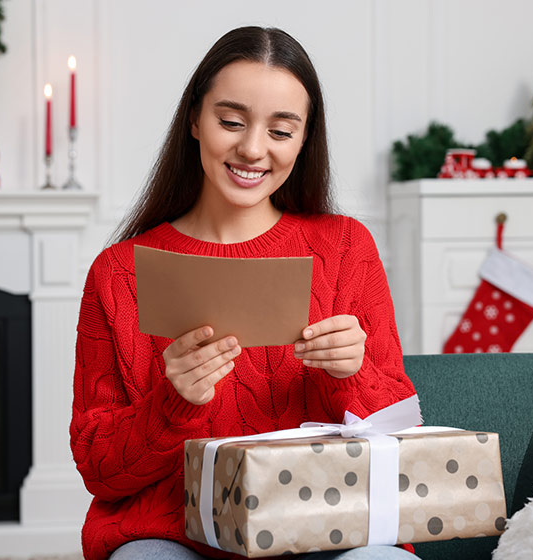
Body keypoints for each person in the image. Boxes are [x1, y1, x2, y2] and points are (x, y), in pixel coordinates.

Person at [70, 26, 418, 560]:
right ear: (194, 119)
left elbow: (400, 438)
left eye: (281, 131)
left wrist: (356, 372)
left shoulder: (345, 247)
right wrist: (173, 401)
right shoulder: (118, 273)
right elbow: (99, 469)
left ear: (304, 140)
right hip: (172, 532)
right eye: (230, 122)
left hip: (323, 524)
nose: (252, 149)